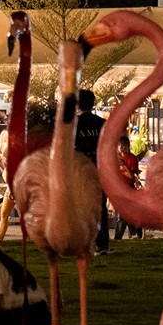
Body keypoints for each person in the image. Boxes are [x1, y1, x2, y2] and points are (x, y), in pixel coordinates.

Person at [73, 88, 109, 254]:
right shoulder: (101, 124)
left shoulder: (74, 125)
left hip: (82, 171)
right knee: (100, 207)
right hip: (100, 170)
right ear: (93, 103)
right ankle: (102, 243)